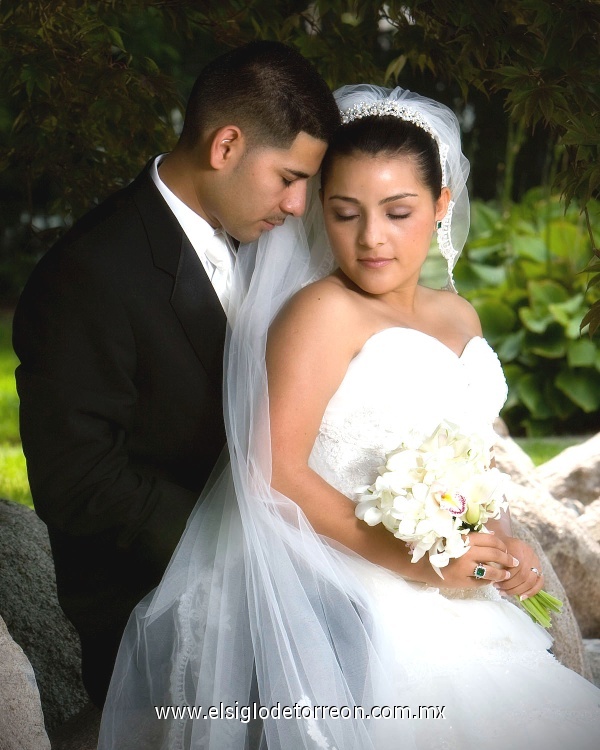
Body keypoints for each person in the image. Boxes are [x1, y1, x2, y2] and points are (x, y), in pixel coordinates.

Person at [98, 86, 600, 749]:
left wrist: (502, 544)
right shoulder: (320, 313)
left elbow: (466, 463)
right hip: (348, 579)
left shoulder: (459, 316)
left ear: (441, 205)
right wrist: (412, 562)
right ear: (320, 213)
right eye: (345, 213)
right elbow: (271, 473)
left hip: (453, 581)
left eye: (398, 212)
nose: (371, 238)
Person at [11, 40, 339, 708]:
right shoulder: (90, 272)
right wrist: (242, 550)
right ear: (225, 146)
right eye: (289, 177)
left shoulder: (266, 244)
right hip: (161, 608)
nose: (300, 206)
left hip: (288, 583)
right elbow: (77, 480)